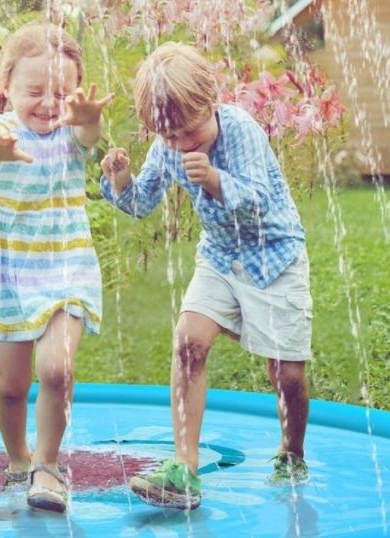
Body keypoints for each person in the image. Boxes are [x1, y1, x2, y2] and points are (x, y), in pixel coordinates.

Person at [99, 42, 313, 510]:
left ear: (210, 103)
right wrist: (119, 181)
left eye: (188, 132)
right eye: (168, 136)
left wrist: (215, 180)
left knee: (287, 375)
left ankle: (291, 451)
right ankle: (185, 468)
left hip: (274, 257)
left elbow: (260, 202)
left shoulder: (242, 131)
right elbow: (141, 204)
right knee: (188, 341)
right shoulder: (168, 145)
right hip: (219, 257)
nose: (180, 145)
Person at [0, 22, 113, 513]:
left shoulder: (70, 134)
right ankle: (19, 458)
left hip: (64, 263)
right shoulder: (0, 130)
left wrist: (87, 119)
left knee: (57, 368)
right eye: (35, 91)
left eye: (61, 93)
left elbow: (89, 134)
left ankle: (47, 464)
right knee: (9, 387)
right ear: (8, 87)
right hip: (6, 268)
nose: (48, 103)